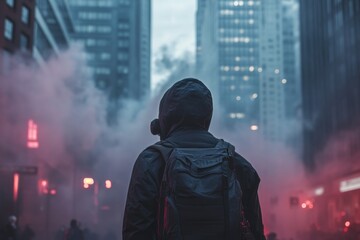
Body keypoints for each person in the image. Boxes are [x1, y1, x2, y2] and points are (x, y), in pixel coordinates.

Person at [123, 78, 266, 240]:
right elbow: (256, 231)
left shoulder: (151, 161)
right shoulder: (238, 164)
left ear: (164, 119)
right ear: (207, 116)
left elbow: (136, 232)